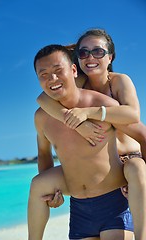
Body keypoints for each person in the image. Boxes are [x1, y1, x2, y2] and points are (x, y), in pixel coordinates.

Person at [37, 29, 146, 240]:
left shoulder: (118, 82)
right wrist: (78, 125)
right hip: (104, 168)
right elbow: (42, 99)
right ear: (77, 61)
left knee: (137, 167)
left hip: (130, 161)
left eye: (98, 51)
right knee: (39, 185)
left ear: (110, 57)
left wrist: (89, 113)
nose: (90, 57)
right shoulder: (79, 84)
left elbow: (133, 116)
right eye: (84, 52)